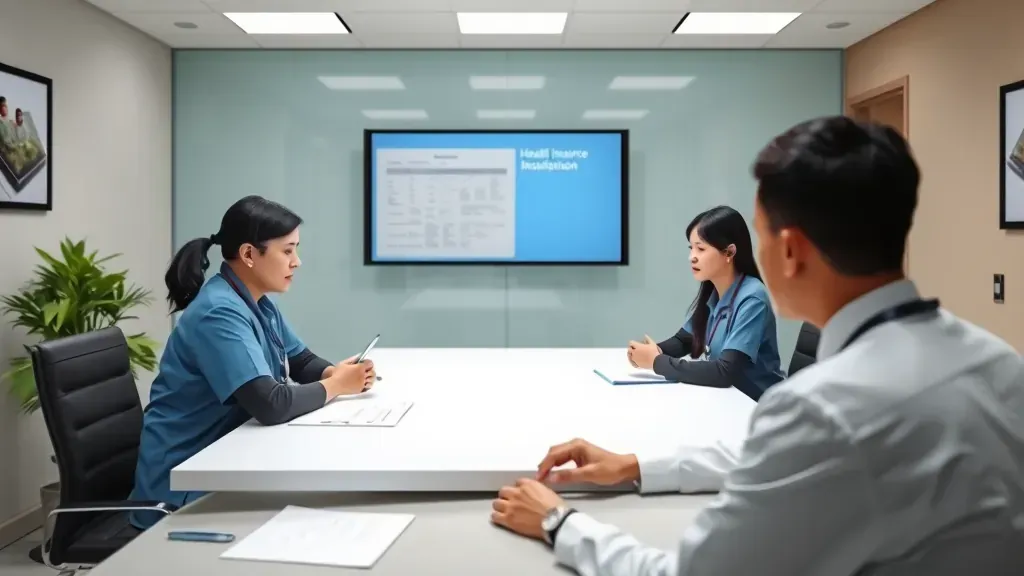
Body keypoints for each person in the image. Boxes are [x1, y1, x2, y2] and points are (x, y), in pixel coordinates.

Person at [490, 116, 1024, 575]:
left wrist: (561, 525)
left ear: (788, 249)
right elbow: (782, 458)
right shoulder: (1000, 363)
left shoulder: (826, 409)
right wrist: (637, 465)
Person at [130, 195, 376, 529]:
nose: (297, 261)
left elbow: (300, 359)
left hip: (227, 458)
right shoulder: (219, 312)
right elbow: (271, 405)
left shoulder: (254, 301)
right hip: (182, 485)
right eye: (287, 251)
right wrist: (337, 386)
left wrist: (337, 372)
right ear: (249, 254)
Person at [627, 205, 785, 401]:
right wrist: (652, 352)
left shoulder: (752, 298)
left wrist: (656, 362)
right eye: (691, 248)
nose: (692, 257)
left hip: (758, 406)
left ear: (729, 252)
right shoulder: (715, 294)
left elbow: (724, 372)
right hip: (726, 401)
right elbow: (683, 341)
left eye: (700, 249)